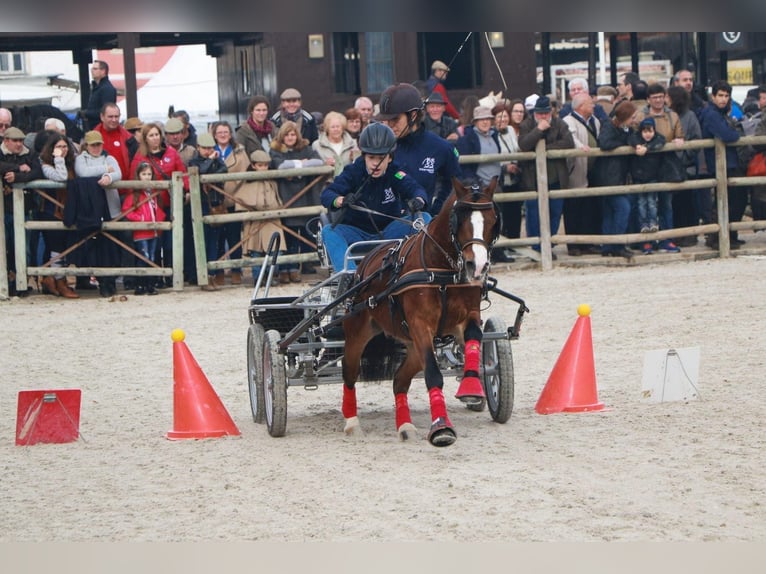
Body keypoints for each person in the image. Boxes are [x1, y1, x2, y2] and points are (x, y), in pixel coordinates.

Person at [320, 123, 431, 272]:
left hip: (388, 232)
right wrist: (341, 200)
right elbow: (327, 195)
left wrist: (419, 200)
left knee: (424, 218)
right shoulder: (353, 172)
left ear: (390, 158)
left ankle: (419, 269)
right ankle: (348, 275)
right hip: (357, 233)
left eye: (381, 158)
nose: (375, 163)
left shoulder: (395, 173)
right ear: (364, 155)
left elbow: (416, 189)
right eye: (371, 157)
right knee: (328, 231)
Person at [374, 82, 462, 217]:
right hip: (380, 226)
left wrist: (436, 212)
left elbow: (453, 181)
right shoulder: (378, 145)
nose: (389, 125)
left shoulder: (440, 147)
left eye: (395, 119)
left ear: (413, 115)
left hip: (420, 226)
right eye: (386, 120)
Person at [129, 121, 187, 287]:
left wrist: (187, 190)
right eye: (151, 135)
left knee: (170, 243)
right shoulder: (140, 156)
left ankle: (170, 275)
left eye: (156, 134)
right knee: (153, 242)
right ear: (145, 138)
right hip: (149, 204)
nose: (155, 138)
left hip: (170, 203)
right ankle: (153, 277)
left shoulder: (171, 153)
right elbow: (133, 178)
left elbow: (182, 173)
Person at [518, 95, 575, 254]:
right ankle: (537, 248)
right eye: (540, 113)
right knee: (534, 215)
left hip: (556, 177)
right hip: (532, 178)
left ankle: (549, 245)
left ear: (551, 112)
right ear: (534, 113)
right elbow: (524, 145)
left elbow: (569, 143)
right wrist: (538, 130)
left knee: (555, 213)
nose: (543, 117)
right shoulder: (527, 125)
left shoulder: (559, 123)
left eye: (545, 113)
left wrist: (545, 149)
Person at [270, 120, 324, 283]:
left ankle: (307, 264)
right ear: (282, 136)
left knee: (306, 231)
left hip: (306, 195)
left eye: (293, 134)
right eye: (287, 134)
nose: (290, 137)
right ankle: (290, 268)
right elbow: (280, 166)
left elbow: (319, 162)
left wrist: (297, 165)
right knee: (290, 235)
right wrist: (302, 164)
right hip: (287, 195)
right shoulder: (276, 150)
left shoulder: (305, 148)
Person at [71, 130, 122, 297]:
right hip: (90, 210)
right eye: (93, 145)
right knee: (93, 247)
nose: (96, 148)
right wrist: (105, 171)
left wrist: (108, 175)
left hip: (110, 208)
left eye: (98, 144)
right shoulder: (81, 159)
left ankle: (110, 281)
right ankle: (99, 280)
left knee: (110, 247)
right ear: (86, 145)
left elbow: (118, 173)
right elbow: (82, 172)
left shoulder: (109, 157)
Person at [699, 80, 747, 249]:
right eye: (720, 95)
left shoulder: (719, 113)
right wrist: (734, 132)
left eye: (726, 96)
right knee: (727, 199)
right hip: (721, 163)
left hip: (728, 162)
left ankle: (729, 235)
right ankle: (718, 238)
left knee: (733, 199)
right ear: (713, 96)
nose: (723, 99)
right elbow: (727, 135)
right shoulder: (712, 114)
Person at [233, 149, 285, 286]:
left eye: (265, 165)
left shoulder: (272, 181)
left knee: (275, 250)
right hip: (255, 222)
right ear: (254, 165)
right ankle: (258, 278)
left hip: (273, 221)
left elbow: (277, 201)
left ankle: (271, 276)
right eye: (260, 165)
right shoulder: (248, 182)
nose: (263, 168)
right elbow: (241, 200)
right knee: (255, 252)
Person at [37, 132, 80, 298]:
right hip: (50, 211)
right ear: (51, 149)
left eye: (64, 146)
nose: (62, 150)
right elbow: (61, 178)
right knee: (56, 248)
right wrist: (58, 159)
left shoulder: (71, 164)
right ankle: (60, 281)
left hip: (66, 210)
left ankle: (52, 279)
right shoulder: (46, 165)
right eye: (58, 147)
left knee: (62, 248)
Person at [593, 100, 637, 258]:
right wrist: (624, 142)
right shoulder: (609, 126)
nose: (634, 120)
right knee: (623, 208)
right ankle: (617, 244)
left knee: (610, 212)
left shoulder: (626, 129)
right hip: (608, 177)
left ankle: (608, 246)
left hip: (617, 176)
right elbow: (604, 143)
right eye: (632, 117)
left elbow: (633, 139)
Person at [1, 126, 42, 296]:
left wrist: (17, 178)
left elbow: (37, 172)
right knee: (6, 247)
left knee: (23, 247)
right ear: (6, 141)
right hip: (4, 209)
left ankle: (21, 282)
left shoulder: (29, 153)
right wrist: (18, 168)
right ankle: (9, 281)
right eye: (15, 141)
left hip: (24, 207)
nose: (19, 144)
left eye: (20, 141)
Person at [562, 92, 602, 256]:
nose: (593, 106)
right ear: (581, 106)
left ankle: (588, 242)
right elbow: (571, 138)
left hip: (592, 170)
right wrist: (580, 147)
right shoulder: (568, 121)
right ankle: (574, 245)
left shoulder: (595, 121)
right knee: (573, 208)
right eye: (590, 104)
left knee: (590, 208)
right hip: (576, 170)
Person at [187, 132, 229, 291]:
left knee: (214, 241)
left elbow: (224, 169)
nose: (207, 151)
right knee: (201, 241)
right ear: (198, 148)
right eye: (204, 148)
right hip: (201, 205)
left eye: (210, 148)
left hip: (215, 203)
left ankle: (211, 274)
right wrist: (211, 161)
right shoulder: (194, 161)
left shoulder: (216, 159)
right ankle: (202, 275)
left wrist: (211, 170)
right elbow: (199, 172)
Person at [212, 120, 249, 286]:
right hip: (215, 200)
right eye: (219, 132)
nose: (222, 135)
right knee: (218, 237)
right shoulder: (210, 151)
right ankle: (219, 270)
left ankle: (236, 270)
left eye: (225, 132)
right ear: (214, 134)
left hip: (235, 197)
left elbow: (246, 171)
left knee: (234, 237)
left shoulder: (239, 151)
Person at [667, 85, 705, 246]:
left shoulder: (690, 116)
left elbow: (697, 139)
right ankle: (675, 235)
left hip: (686, 167)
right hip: (668, 166)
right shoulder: (666, 116)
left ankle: (690, 235)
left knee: (687, 203)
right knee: (673, 204)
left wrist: (685, 153)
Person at [122, 162, 166, 296]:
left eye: (149, 174)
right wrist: (141, 219)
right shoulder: (134, 195)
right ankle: (140, 284)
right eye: (144, 174)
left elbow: (159, 210)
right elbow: (126, 211)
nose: (147, 177)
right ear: (138, 176)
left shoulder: (154, 194)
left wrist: (159, 220)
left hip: (153, 231)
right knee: (143, 257)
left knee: (151, 257)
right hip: (141, 232)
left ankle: (150, 284)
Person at [492, 99, 524, 259]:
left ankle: (514, 244)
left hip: (514, 177)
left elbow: (516, 148)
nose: (502, 119)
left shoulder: (511, 130)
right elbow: (493, 157)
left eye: (505, 116)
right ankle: (501, 248)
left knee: (515, 213)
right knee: (501, 214)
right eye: (499, 117)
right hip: (501, 179)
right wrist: (505, 167)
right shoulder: (492, 134)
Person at [629, 117, 665, 254]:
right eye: (645, 131)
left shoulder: (657, 139)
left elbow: (661, 141)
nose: (648, 134)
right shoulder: (636, 138)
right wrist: (637, 146)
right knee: (641, 203)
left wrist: (647, 148)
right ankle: (644, 223)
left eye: (650, 131)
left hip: (652, 176)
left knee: (652, 202)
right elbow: (631, 139)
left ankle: (653, 223)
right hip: (639, 176)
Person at [456, 105, 502, 188]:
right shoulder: (467, 140)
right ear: (475, 122)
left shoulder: (494, 136)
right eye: (481, 119)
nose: (485, 122)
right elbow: (464, 167)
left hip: (497, 184)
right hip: (480, 188)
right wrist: (476, 183)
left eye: (487, 119)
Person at [312, 111, 360, 180]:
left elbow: (358, 167)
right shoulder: (317, 145)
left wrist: (355, 159)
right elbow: (313, 168)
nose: (336, 129)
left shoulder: (353, 144)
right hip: (325, 185)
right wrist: (324, 165)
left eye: (338, 126)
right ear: (327, 129)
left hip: (348, 184)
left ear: (343, 128)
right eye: (333, 127)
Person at [82, 60, 117, 131]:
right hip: (95, 128)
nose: (92, 71)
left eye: (95, 69)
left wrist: (87, 113)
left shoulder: (107, 89)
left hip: (101, 129)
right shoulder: (97, 87)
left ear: (103, 71)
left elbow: (107, 111)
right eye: (92, 69)